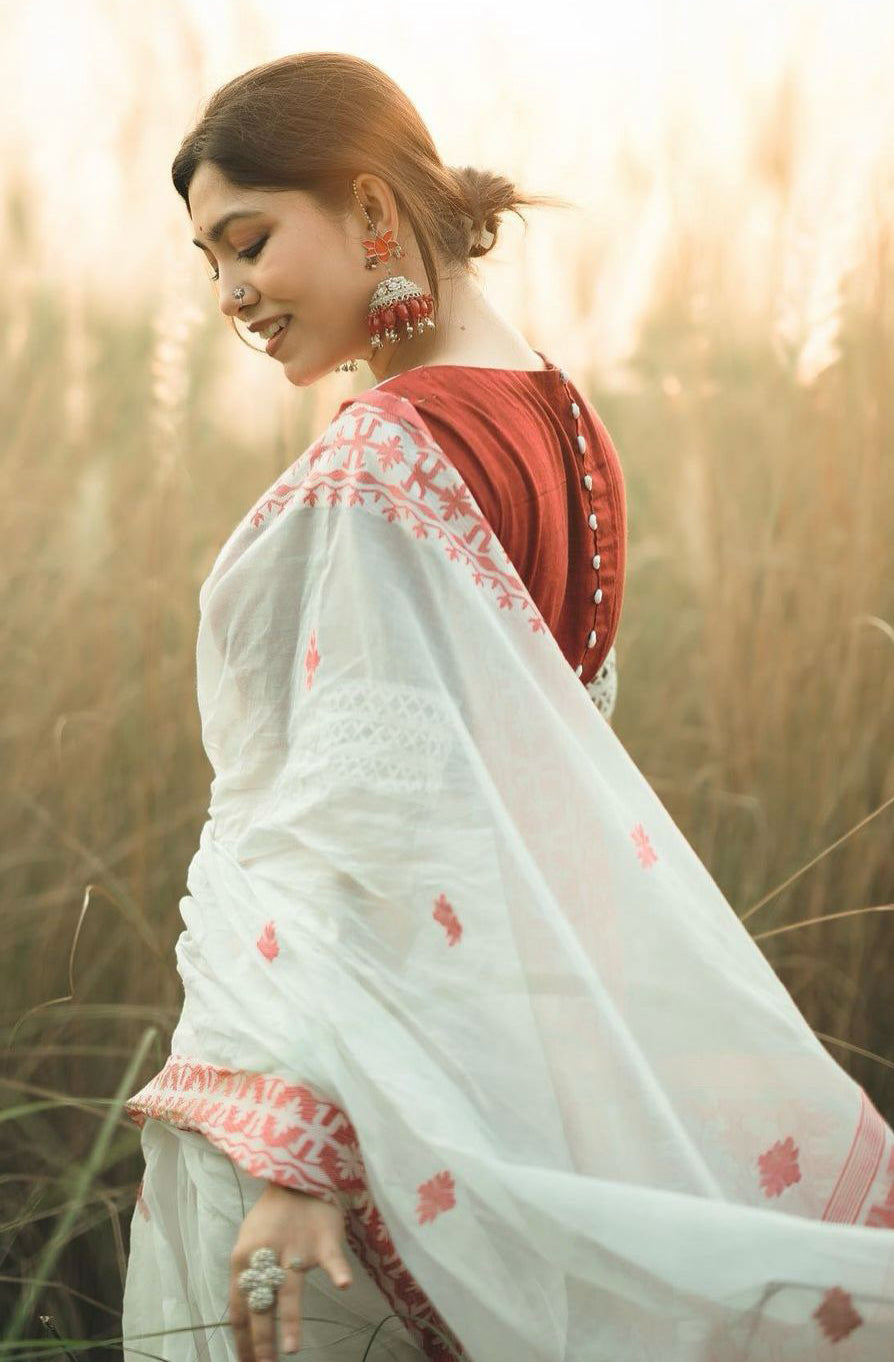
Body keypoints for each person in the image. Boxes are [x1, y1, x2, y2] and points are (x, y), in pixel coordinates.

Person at [120, 51, 894, 1362]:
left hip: (368, 1096)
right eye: (207, 263)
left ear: (371, 209)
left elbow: (363, 825)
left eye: (247, 241)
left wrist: (293, 1151)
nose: (229, 293)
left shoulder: (389, 446)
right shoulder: (563, 421)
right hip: (520, 1056)